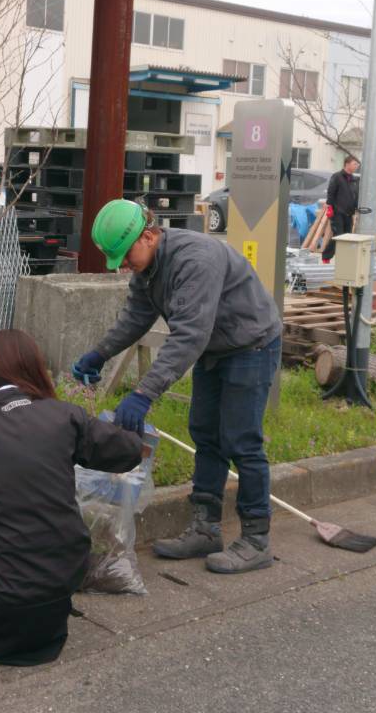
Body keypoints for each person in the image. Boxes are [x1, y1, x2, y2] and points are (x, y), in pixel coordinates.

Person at [72, 199, 283, 574]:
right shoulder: (148, 268)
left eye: (124, 255)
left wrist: (143, 394)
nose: (123, 265)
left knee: (241, 440)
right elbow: (136, 317)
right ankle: (205, 528)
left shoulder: (195, 260)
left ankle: (256, 539)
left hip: (251, 344)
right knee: (205, 433)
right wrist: (98, 354)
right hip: (215, 348)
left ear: (149, 236)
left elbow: (188, 336)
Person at [0, 329, 143, 666]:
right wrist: (131, 422)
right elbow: (128, 452)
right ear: (37, 367)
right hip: (61, 575)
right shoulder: (66, 416)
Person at [322, 155, 360, 262]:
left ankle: (343, 259)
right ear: (347, 164)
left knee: (347, 236)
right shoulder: (337, 177)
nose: (356, 166)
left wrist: (356, 208)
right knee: (339, 235)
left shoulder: (354, 180)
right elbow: (331, 192)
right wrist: (329, 206)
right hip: (337, 211)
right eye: (354, 164)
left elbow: (355, 195)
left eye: (357, 164)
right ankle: (326, 256)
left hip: (349, 212)